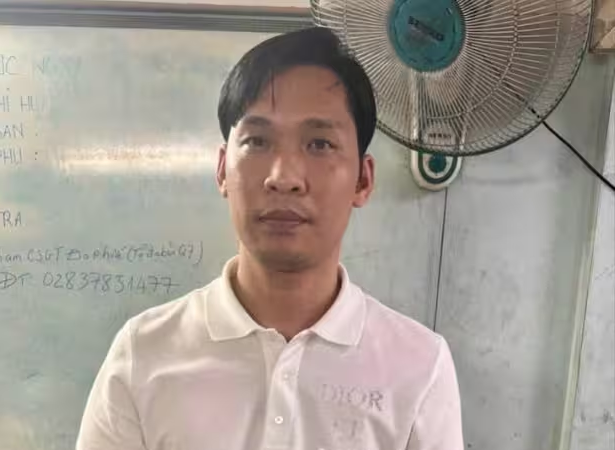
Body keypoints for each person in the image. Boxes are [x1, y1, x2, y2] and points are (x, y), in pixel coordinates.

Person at [76, 26, 463, 450]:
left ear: (363, 180)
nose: (283, 177)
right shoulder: (143, 355)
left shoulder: (419, 366)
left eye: (320, 144)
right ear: (222, 170)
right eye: (258, 141)